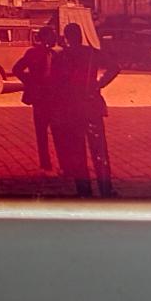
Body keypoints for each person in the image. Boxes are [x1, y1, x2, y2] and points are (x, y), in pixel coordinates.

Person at [52, 23, 121, 198]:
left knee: (77, 153)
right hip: (91, 105)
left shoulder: (61, 56)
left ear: (66, 38)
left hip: (71, 109)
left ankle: (84, 191)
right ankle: (106, 190)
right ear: (81, 36)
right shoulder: (92, 53)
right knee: (100, 151)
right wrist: (99, 83)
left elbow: (56, 84)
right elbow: (115, 67)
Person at [12, 26, 59, 172]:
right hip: (40, 97)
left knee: (57, 131)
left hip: (54, 97)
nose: (54, 39)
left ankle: (60, 163)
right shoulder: (32, 53)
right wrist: (30, 82)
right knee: (42, 131)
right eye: (52, 36)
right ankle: (46, 164)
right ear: (44, 38)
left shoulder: (56, 54)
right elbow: (17, 69)